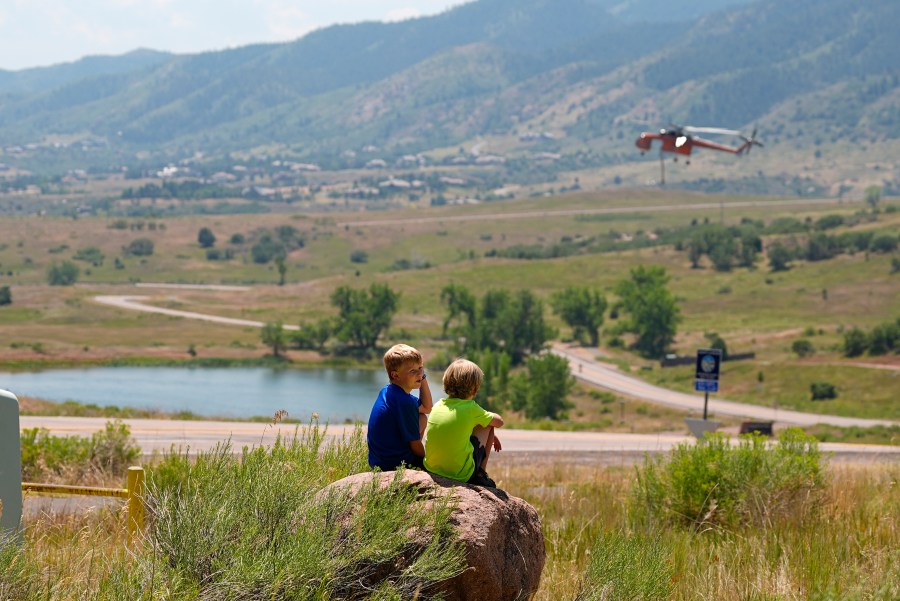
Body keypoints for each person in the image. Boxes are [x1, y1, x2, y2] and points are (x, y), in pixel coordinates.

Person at [424, 358, 503, 487]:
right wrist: (490, 418)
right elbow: (499, 422)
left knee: (481, 422)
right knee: (488, 424)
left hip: (432, 469)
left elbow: (456, 426)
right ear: (475, 387)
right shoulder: (471, 408)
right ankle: (480, 474)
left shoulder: (438, 404)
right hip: (460, 474)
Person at [367, 344, 432, 471]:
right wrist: (426, 460)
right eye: (413, 371)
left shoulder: (388, 391)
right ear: (396, 375)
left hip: (378, 461)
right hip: (394, 464)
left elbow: (426, 408)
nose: (419, 374)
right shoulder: (405, 402)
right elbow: (414, 444)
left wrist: (421, 377)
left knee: (422, 417)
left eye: (421, 368)